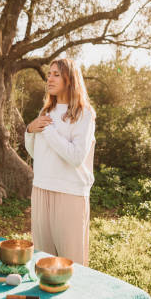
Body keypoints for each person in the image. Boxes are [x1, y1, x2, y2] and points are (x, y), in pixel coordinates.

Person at [24, 58, 96, 266]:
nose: (50, 79)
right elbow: (37, 153)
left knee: (71, 262)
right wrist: (30, 130)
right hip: (41, 188)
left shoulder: (84, 114)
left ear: (70, 79)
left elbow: (75, 157)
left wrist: (48, 130)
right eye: (49, 74)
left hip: (69, 192)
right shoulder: (46, 112)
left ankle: (77, 298)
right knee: (43, 259)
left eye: (56, 74)